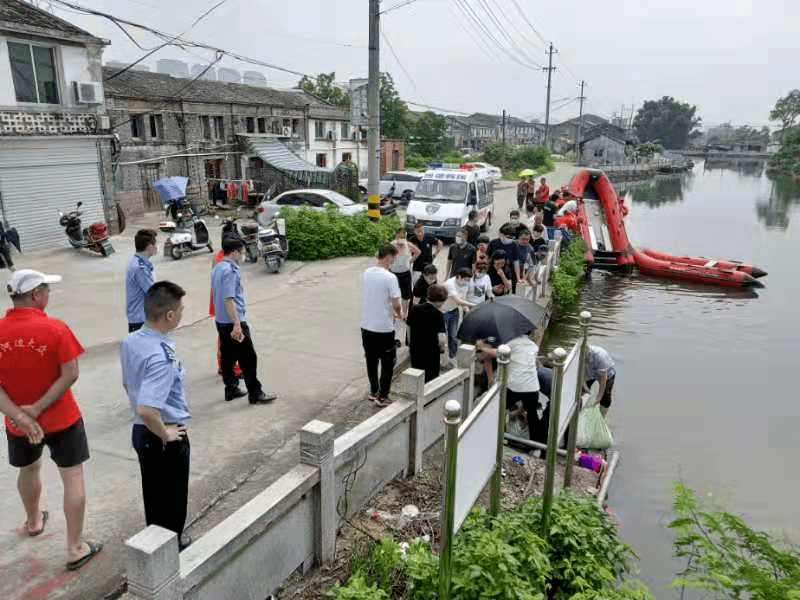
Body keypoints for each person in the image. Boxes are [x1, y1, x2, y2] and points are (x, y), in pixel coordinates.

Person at [0, 269, 102, 571]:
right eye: (46, 290)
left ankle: (33, 521)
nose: (48, 295)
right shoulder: (56, 329)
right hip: (62, 419)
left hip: (18, 425)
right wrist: (39, 407)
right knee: (72, 477)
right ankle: (74, 547)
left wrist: (20, 415)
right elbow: (70, 373)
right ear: (34, 296)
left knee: (29, 469)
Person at [120, 281, 193, 550]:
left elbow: (129, 385)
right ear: (170, 316)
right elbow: (147, 408)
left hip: (141, 433)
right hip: (162, 435)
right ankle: (172, 554)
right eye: (181, 309)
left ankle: (156, 552)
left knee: (154, 499)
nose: (183, 313)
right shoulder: (160, 356)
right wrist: (167, 433)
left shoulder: (132, 341)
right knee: (172, 504)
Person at [211, 237, 276, 404]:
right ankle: (255, 393)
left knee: (227, 356)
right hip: (233, 322)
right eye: (242, 251)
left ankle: (231, 389)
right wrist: (237, 324)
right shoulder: (230, 271)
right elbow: (228, 299)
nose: (243, 254)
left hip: (221, 321)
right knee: (248, 358)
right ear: (234, 252)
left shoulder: (218, 268)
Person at [361, 244, 404, 406]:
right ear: (387, 258)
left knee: (371, 361)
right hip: (384, 329)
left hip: (366, 326)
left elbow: (376, 298)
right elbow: (397, 303)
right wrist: (399, 314)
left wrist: (390, 310)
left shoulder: (366, 273)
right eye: (392, 260)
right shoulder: (390, 277)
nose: (392, 264)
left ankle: (373, 391)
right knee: (387, 363)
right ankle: (383, 396)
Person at [406, 284, 448, 382]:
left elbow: (408, 328)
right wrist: (442, 350)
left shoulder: (414, 309)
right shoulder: (439, 315)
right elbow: (442, 339)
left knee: (416, 377)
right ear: (440, 302)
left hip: (416, 350)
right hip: (431, 353)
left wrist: (410, 344)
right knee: (431, 380)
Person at [126, 229, 157, 333]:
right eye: (155, 244)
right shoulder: (140, 268)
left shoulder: (136, 263)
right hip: (141, 320)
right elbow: (153, 292)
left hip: (139, 318)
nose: (156, 247)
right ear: (150, 247)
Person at [441, 268, 475, 360]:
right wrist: (474, 305)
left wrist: (468, 311)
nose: (467, 282)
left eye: (469, 280)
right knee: (442, 336)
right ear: (459, 276)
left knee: (453, 335)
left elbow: (463, 301)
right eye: (466, 280)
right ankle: (441, 357)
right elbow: (458, 300)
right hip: (443, 311)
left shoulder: (465, 285)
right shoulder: (450, 284)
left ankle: (453, 356)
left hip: (453, 311)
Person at [389, 228, 420, 315]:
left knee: (405, 296)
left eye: (403, 236)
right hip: (393, 273)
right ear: (396, 236)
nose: (401, 238)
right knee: (393, 294)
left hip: (405, 273)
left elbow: (418, 252)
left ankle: (403, 313)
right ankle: (395, 312)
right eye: (399, 236)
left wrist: (411, 260)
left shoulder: (408, 245)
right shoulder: (391, 245)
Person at [583, 345, 616, 417]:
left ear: (588, 354)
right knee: (581, 391)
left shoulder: (599, 356)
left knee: (605, 396)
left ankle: (602, 416)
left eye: (585, 358)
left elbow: (604, 378)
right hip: (590, 373)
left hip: (607, 373)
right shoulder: (578, 356)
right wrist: (585, 387)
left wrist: (599, 397)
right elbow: (579, 373)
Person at [488, 225, 520, 291]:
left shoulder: (514, 245)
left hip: (507, 271)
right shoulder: (493, 243)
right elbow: (487, 258)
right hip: (492, 270)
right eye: (508, 237)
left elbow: (516, 262)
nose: (509, 239)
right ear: (502, 235)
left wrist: (518, 278)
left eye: (512, 238)